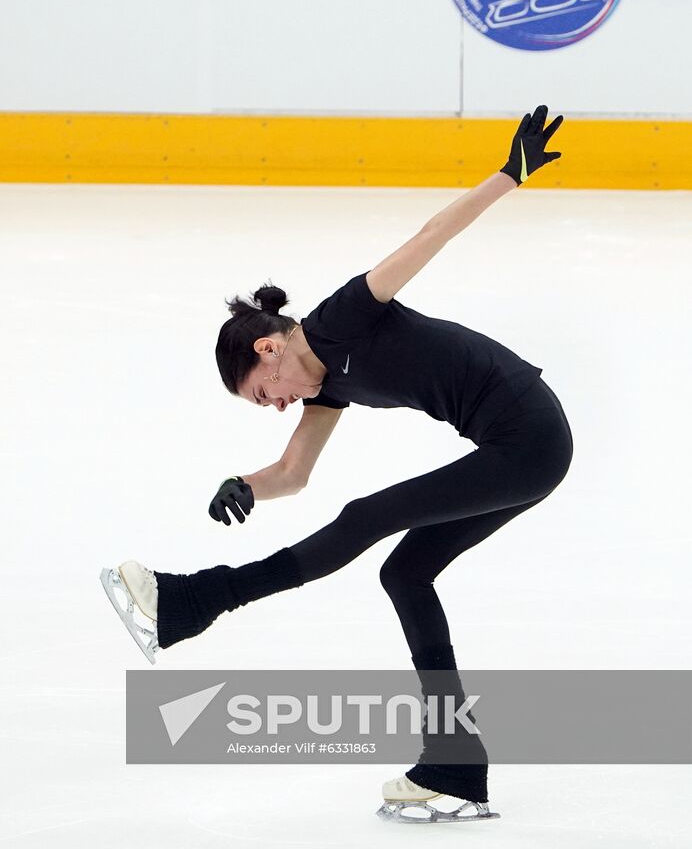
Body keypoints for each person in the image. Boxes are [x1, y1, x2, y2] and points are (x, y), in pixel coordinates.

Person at [100, 104, 573, 823]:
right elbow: (293, 475)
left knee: (368, 518)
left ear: (269, 350)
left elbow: (429, 237)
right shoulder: (328, 389)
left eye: (266, 394)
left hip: (530, 436)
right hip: (511, 447)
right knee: (404, 571)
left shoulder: (341, 318)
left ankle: (197, 601)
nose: (277, 405)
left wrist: (508, 174)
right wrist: (244, 485)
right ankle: (456, 764)